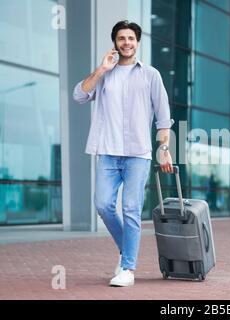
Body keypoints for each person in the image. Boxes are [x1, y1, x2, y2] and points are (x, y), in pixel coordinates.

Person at [73, 20, 174, 287]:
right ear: (115, 43)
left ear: (137, 42)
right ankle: (125, 249)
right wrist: (100, 69)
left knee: (130, 208)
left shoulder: (151, 75)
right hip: (107, 151)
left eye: (130, 38)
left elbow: (164, 119)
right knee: (104, 205)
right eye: (121, 38)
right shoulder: (105, 74)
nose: (126, 42)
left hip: (138, 153)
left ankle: (128, 268)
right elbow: (79, 95)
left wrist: (164, 149)